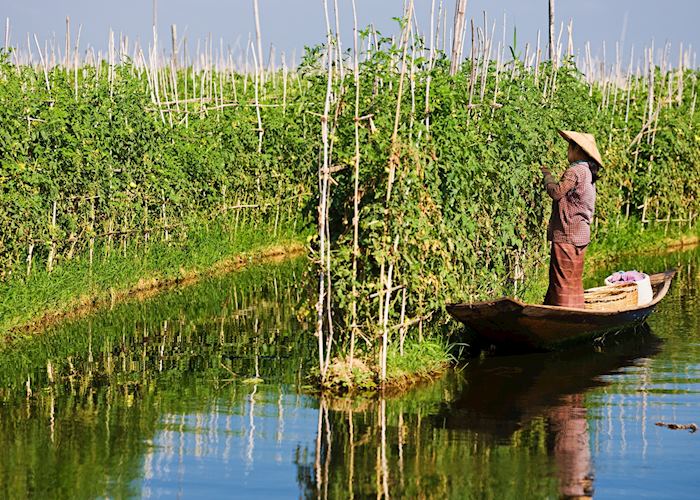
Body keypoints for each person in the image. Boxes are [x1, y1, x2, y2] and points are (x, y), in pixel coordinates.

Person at [541, 130, 603, 308]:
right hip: (580, 234)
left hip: (568, 232)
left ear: (577, 150)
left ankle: (562, 314)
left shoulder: (575, 171)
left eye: (569, 147)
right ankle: (574, 310)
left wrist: (547, 176)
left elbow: (556, 192)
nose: (567, 150)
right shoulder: (588, 173)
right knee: (572, 280)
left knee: (561, 280)